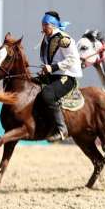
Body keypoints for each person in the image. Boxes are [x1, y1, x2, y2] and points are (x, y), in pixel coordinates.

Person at [38, 11, 82, 142]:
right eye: (42, 24)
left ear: (53, 25)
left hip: (66, 77)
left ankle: (62, 129)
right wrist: (46, 70)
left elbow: (73, 59)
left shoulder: (64, 39)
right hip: (53, 76)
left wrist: (53, 68)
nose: (43, 28)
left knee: (47, 94)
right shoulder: (46, 38)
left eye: (45, 25)